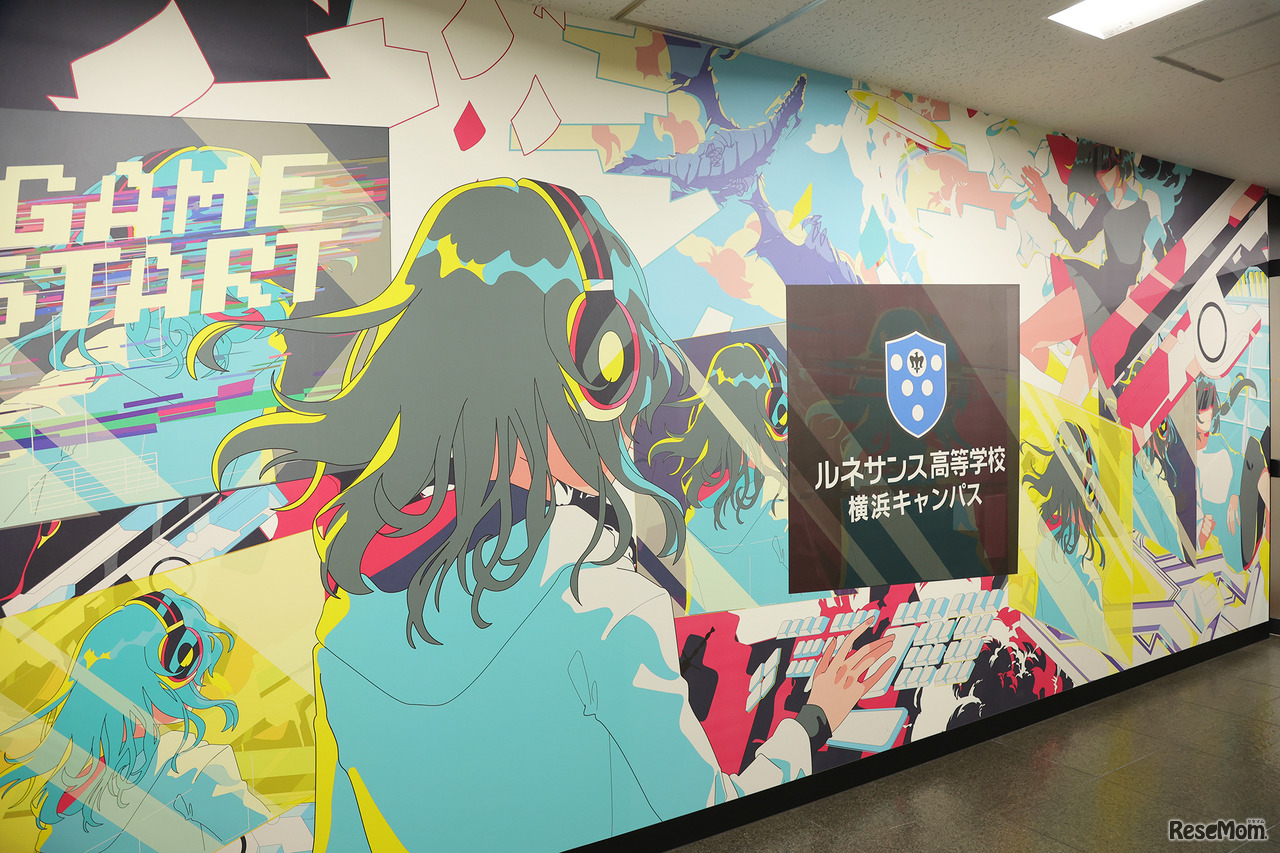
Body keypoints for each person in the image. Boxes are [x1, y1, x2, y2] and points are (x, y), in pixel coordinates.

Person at [193, 178, 894, 852]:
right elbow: (711, 811)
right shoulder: (602, 599)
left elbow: (343, 841)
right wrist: (814, 719)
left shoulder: (346, 618)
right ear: (592, 358)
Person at [0, 590, 269, 852]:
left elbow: (264, 838)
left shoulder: (191, 764)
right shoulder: (187, 764)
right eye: (189, 668)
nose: (199, 685)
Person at [1195, 375, 1255, 573]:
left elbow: (1239, 460)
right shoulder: (1191, 459)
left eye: (1209, 411)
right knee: (1237, 565)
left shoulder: (1217, 440)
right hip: (1225, 529)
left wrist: (1234, 497)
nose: (1207, 417)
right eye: (1201, 415)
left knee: (1255, 451)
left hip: (1241, 506)